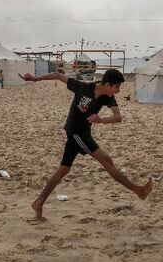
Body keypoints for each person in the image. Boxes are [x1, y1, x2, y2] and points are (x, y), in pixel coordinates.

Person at [19, 68, 153, 221]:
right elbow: (57, 75)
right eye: (117, 87)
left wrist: (100, 119)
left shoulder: (107, 97)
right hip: (76, 132)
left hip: (83, 133)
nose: (118, 91)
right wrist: (36, 78)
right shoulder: (83, 87)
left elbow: (118, 117)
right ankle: (138, 190)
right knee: (107, 160)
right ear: (107, 84)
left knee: (63, 170)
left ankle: (39, 203)